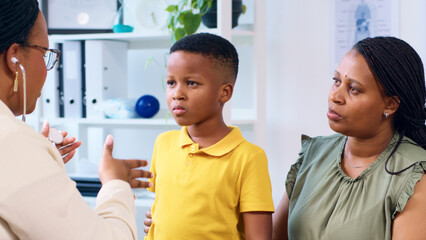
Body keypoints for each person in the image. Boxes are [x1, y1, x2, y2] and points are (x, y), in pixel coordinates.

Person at [0, 1, 152, 239]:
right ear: (14, 58)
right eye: (45, 53)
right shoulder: (11, 141)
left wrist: (38, 161)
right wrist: (115, 184)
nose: (48, 68)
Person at [272, 36, 426, 240]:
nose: (335, 96)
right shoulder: (313, 153)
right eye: (336, 81)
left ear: (390, 105)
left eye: (353, 89)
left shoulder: (414, 176)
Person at [144, 33, 274, 240]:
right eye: (171, 83)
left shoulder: (249, 157)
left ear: (224, 93)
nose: (177, 93)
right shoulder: (163, 143)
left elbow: (258, 236)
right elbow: (165, 210)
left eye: (191, 83)